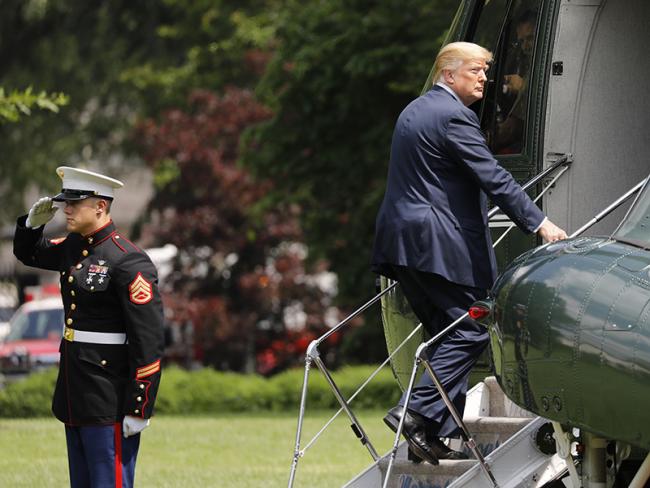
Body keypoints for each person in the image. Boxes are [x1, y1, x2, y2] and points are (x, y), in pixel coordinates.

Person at [371, 42, 566, 465]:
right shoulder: (454, 117)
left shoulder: (414, 111)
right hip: (440, 242)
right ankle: (416, 410)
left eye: (484, 71)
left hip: (403, 244)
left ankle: (434, 433)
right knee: (473, 326)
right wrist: (539, 223)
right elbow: (493, 176)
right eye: (475, 70)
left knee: (445, 330)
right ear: (448, 74)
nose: (484, 78)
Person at [13, 166, 165, 487]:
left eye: (74, 203)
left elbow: (147, 340)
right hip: (76, 390)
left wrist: (140, 406)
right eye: (64, 202)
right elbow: (29, 254)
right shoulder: (73, 246)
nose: (66, 209)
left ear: (100, 206)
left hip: (108, 396)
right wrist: (31, 226)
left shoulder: (128, 261)